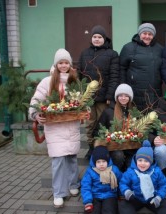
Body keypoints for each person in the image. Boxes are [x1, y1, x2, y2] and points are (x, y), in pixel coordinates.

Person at [29, 49, 82, 208]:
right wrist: (36, 115)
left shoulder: (75, 81)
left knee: (72, 157)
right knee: (58, 160)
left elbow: (81, 102)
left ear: (70, 64)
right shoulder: (47, 81)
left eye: (66, 62)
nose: (64, 65)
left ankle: (73, 185)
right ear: (56, 64)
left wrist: (82, 112)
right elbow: (36, 99)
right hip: (54, 127)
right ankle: (59, 193)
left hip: (71, 125)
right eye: (61, 62)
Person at [78, 25, 120, 160]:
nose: (97, 39)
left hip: (104, 98)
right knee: (90, 124)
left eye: (99, 37)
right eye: (94, 37)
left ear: (104, 39)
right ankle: (91, 148)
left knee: (102, 124)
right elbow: (80, 74)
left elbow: (114, 76)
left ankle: (101, 147)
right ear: (91, 38)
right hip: (89, 98)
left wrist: (109, 95)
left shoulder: (112, 54)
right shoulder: (84, 53)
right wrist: (82, 94)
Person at [118, 140, 166, 214]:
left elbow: (164, 185)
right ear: (136, 160)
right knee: (123, 205)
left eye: (146, 161)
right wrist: (127, 192)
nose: (142, 163)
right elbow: (123, 183)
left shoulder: (156, 171)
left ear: (151, 162)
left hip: (152, 199)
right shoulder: (130, 171)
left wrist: (159, 197)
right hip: (135, 198)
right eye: (140, 160)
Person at [120, 23, 163, 112]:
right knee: (135, 119)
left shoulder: (160, 49)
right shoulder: (128, 48)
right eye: (144, 33)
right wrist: (123, 89)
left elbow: (163, 68)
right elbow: (121, 69)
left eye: (150, 34)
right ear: (140, 34)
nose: (147, 36)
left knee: (152, 119)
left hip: (154, 92)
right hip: (134, 92)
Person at [96, 83, 137, 171]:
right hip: (114, 147)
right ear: (116, 97)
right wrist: (107, 136)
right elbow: (98, 130)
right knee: (118, 156)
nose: (123, 98)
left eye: (126, 96)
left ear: (130, 98)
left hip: (130, 146)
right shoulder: (108, 112)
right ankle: (116, 173)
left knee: (132, 165)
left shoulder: (134, 112)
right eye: (120, 95)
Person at [81, 146, 122, 214]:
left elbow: (121, 182)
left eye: (104, 161)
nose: (101, 164)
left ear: (108, 161)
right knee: (93, 211)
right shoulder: (90, 171)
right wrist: (88, 201)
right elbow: (85, 186)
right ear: (94, 162)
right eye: (98, 162)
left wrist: (121, 194)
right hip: (95, 195)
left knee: (109, 210)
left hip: (110, 195)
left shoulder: (114, 169)